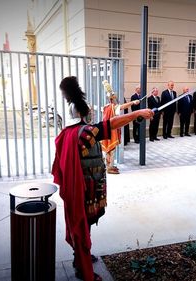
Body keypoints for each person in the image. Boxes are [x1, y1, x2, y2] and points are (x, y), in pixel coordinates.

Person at [52, 76, 153, 281]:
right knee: (83, 227)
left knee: (85, 226)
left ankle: (81, 256)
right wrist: (137, 113)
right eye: (88, 111)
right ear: (82, 114)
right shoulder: (83, 133)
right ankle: (81, 265)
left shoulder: (69, 134)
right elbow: (111, 124)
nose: (91, 114)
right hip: (84, 191)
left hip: (87, 187)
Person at [101, 83, 140, 174]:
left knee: (109, 149)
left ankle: (109, 165)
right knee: (111, 150)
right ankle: (109, 167)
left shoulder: (105, 107)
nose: (116, 99)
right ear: (112, 99)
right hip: (111, 131)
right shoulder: (112, 107)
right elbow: (122, 107)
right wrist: (133, 102)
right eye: (115, 98)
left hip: (106, 130)